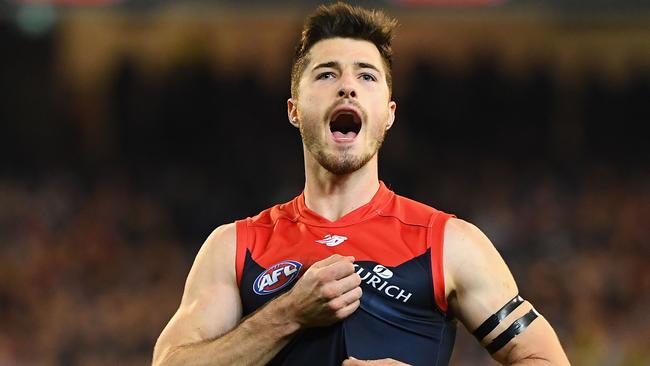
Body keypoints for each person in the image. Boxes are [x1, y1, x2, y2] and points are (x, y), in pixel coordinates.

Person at [152, 2, 570, 365]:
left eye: (367, 76)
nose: (347, 86)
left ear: (388, 114)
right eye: (326, 75)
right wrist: (288, 314)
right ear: (294, 110)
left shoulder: (447, 243)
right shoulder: (235, 247)